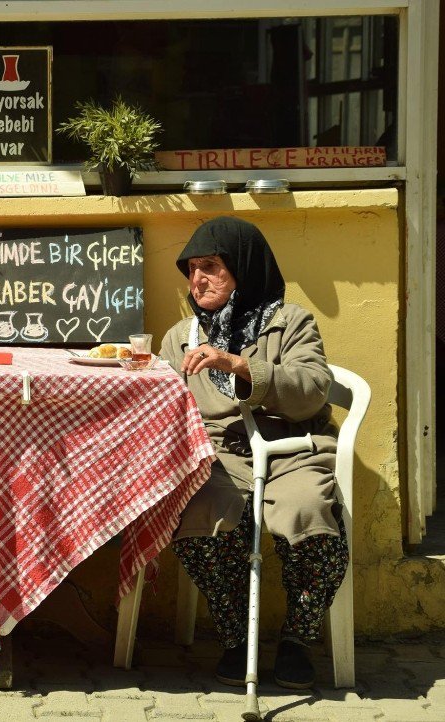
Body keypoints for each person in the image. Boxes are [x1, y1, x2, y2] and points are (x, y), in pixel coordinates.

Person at [159, 216, 348, 690]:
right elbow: (166, 407)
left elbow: (312, 390)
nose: (196, 279)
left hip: (290, 451)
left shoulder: (290, 322)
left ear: (244, 268)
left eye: (210, 267)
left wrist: (241, 365)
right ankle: (237, 637)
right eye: (191, 268)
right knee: (200, 514)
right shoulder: (180, 336)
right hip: (218, 456)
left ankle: (297, 641)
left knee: (312, 515)